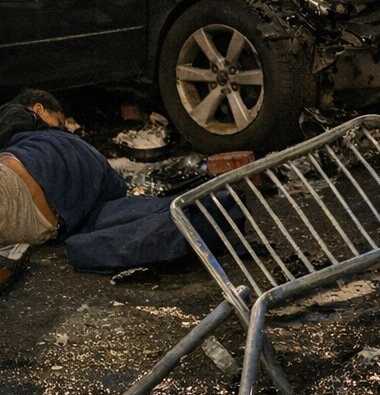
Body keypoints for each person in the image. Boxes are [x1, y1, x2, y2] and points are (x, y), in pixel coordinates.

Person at [0, 90, 237, 274]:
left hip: (16, 191)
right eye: (58, 121)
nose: (62, 129)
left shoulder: (36, 134)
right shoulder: (27, 120)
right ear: (38, 109)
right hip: (32, 213)